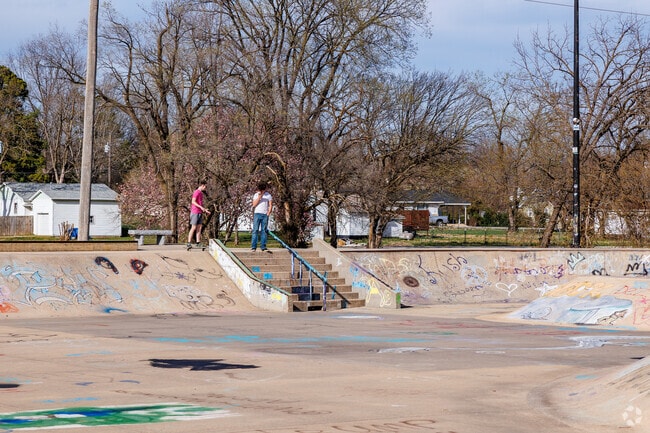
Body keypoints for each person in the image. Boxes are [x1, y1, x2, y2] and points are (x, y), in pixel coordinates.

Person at [251, 181, 273, 252]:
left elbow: (270, 204)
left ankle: (263, 246)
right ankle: (253, 246)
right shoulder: (256, 195)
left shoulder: (268, 195)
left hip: (264, 215)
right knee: (255, 230)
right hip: (257, 214)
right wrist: (260, 197)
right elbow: (254, 205)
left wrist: (269, 212)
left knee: (264, 231)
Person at [187, 180, 210, 248]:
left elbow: (200, 204)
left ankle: (198, 242)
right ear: (202, 185)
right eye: (205, 186)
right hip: (195, 212)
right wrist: (200, 207)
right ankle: (189, 242)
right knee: (193, 227)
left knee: (199, 228)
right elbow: (193, 201)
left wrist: (205, 210)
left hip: (200, 212)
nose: (205, 188)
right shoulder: (196, 192)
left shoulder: (201, 193)